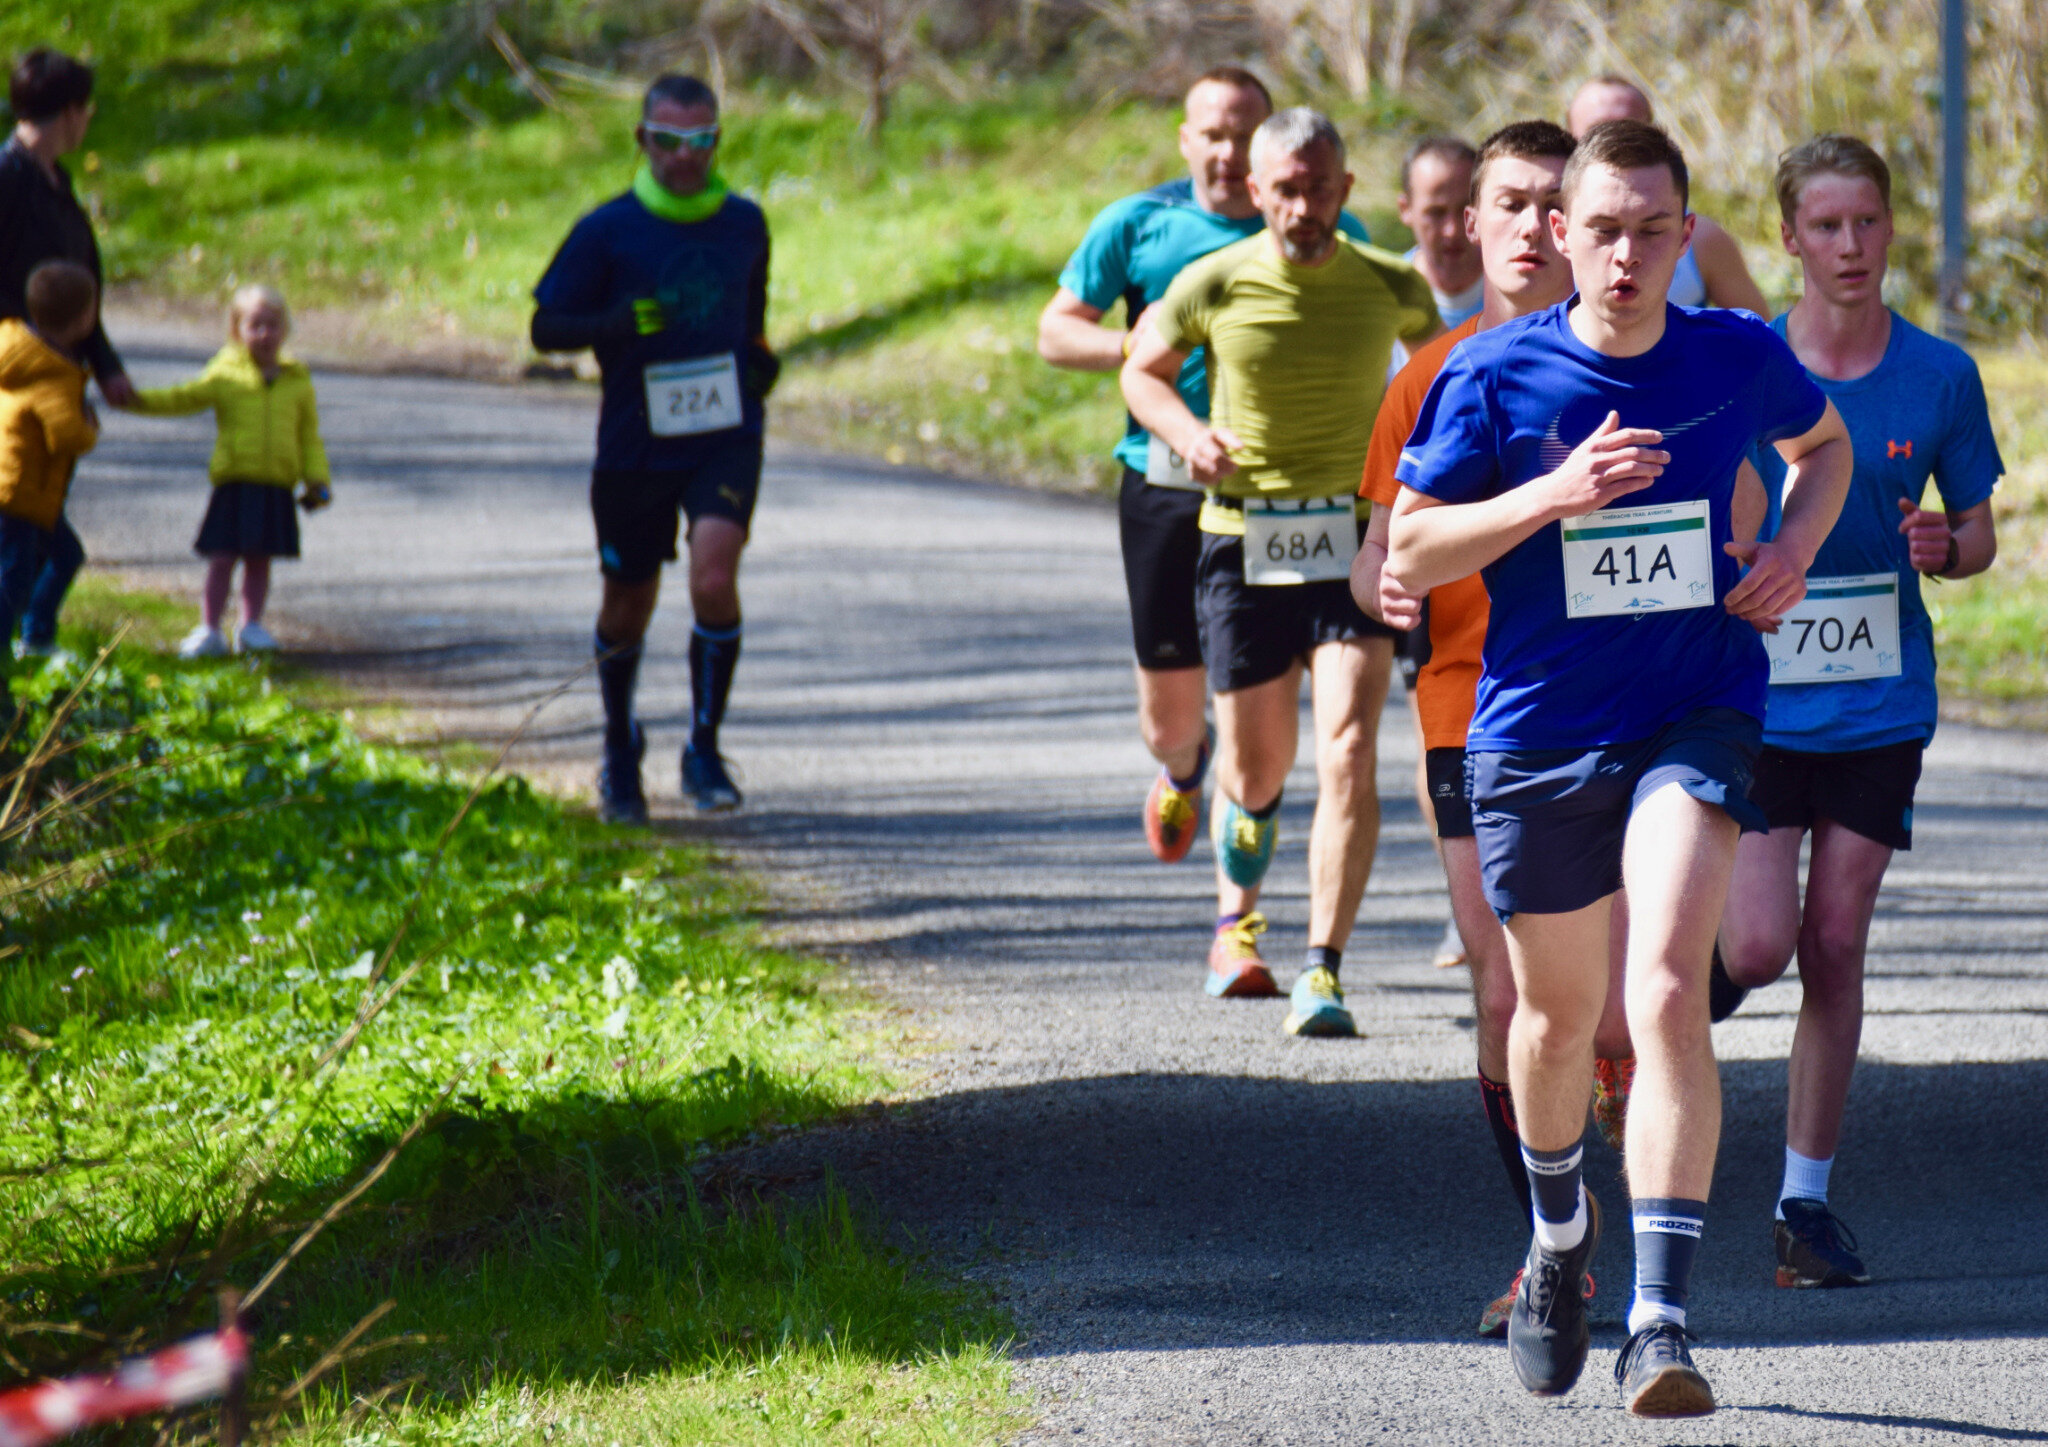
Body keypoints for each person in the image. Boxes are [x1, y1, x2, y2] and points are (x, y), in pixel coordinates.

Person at [1389, 120, 1850, 1414]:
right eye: (1605, 228)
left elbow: (1825, 451)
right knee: (1548, 1019)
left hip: (1693, 711)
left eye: (1657, 229)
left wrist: (1796, 549)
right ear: (1559, 234)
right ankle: (1558, 1237)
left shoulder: (1736, 355)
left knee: (1660, 989)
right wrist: (1553, 496)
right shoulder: (1492, 377)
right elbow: (1413, 554)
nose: (1629, 253)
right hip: (1535, 733)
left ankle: (1659, 1317)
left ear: (1686, 233)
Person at [1356, 118, 1646, 1336]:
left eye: (1548, 205)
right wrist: (1379, 579)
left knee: (1622, 1008)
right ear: (1467, 225)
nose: (1531, 229)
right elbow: (1381, 538)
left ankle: (1627, 1143)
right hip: (1463, 704)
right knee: (1496, 987)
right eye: (1510, 205)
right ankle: (1550, 1243)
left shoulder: (1619, 357)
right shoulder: (1430, 370)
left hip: (1612, 700)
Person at [1715, 136, 2001, 1291]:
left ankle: (1802, 1203)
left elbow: (1976, 528)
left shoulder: (1938, 375)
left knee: (1833, 940)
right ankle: (1658, 1006)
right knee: (1755, 944)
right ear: (1786, 237)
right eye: (1823, 226)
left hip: (1879, 703)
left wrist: (1948, 547)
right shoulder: (1739, 364)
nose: (1847, 246)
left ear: (1890, 231)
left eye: (1865, 224)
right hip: (1755, 699)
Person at [1122, 108, 1438, 1036]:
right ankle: (1237, 920)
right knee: (1258, 773)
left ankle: (1323, 966)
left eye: (1320, 188)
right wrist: (1186, 433)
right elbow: (1143, 371)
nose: (1304, 207)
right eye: (1286, 190)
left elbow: (1446, 366)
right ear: (1257, 193)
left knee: (1347, 746)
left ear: (1346, 191)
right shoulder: (1212, 279)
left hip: (1350, 540)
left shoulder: (1392, 285)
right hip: (1244, 542)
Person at [1038, 68, 1371, 865]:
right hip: (1166, 483)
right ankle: (1186, 767)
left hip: (1280, 497)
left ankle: (1247, 827)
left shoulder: (1328, 224)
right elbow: (1055, 333)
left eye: (1242, 134)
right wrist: (1141, 346)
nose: (1225, 151)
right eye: (1211, 134)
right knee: (1170, 718)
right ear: (1186, 139)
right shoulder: (1139, 223)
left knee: (1274, 687)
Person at [530, 74, 777, 820]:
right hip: (635, 443)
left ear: (717, 141)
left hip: (725, 435)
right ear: (642, 140)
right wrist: (611, 323)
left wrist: (761, 362)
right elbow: (546, 327)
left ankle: (703, 748)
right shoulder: (607, 230)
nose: (684, 156)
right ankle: (617, 744)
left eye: (701, 141)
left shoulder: (744, 223)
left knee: (711, 574)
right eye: (668, 141)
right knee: (628, 599)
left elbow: (753, 315)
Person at [0, 49, 136, 658]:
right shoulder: (8, 179)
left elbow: (80, 288)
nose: (88, 122)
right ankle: (22, 639)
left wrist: (103, 365)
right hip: (20, 375)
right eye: (86, 110)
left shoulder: (56, 180)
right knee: (22, 523)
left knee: (38, 517)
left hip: (62, 368)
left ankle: (30, 638)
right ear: (69, 111)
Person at [133, 285, 331, 658]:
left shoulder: (297, 381)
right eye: (254, 325)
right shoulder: (225, 374)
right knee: (222, 558)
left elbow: (309, 437)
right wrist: (135, 400)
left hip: (274, 486)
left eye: (272, 325)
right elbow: (183, 397)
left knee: (260, 560)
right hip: (234, 484)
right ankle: (209, 628)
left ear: (285, 330)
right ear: (236, 329)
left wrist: (318, 480)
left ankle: (251, 626)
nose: (264, 334)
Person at [1565, 78, 1770, 319]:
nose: (1614, 139)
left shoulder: (1703, 241)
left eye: (1651, 231)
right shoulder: (1539, 238)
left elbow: (1764, 337)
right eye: (1596, 131)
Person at [0, 261, 98, 679]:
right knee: (11, 580)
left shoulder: (12, 341)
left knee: (66, 553)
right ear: (82, 318)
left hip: (16, 486)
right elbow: (67, 437)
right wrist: (88, 423)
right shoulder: (53, 373)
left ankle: (36, 636)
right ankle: (11, 650)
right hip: (20, 493)